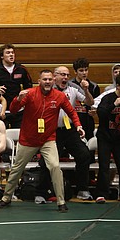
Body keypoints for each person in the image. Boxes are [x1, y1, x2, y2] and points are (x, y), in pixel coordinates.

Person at [0, 69, 84, 213]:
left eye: (50, 79)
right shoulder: (29, 93)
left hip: (48, 139)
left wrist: (78, 125)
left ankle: (61, 201)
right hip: (28, 139)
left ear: (53, 81)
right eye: (45, 79)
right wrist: (17, 99)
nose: (48, 82)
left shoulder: (60, 96)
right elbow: (13, 110)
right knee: (17, 168)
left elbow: (71, 112)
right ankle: (6, 198)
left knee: (55, 167)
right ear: (39, 81)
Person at [34, 66, 94, 204]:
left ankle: (82, 190)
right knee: (46, 161)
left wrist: (85, 90)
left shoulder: (73, 89)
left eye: (67, 75)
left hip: (69, 130)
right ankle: (41, 193)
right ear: (55, 77)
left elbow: (89, 102)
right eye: (62, 75)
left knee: (84, 154)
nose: (65, 77)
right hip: (52, 131)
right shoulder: (48, 89)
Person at [0, 43, 32, 128]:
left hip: (18, 109)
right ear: (2, 56)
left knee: (18, 133)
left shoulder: (21, 69)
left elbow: (29, 87)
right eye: (8, 53)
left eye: (12, 52)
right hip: (0, 110)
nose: (11, 55)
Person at [95, 73, 120, 204]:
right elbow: (100, 113)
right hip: (105, 137)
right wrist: (114, 104)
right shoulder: (108, 97)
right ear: (118, 86)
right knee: (104, 166)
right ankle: (101, 194)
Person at [70, 58, 100, 143]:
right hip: (73, 121)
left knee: (89, 151)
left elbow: (96, 104)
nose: (84, 73)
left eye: (86, 70)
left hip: (88, 122)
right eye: (81, 70)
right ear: (75, 72)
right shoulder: (69, 85)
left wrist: (95, 111)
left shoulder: (94, 86)